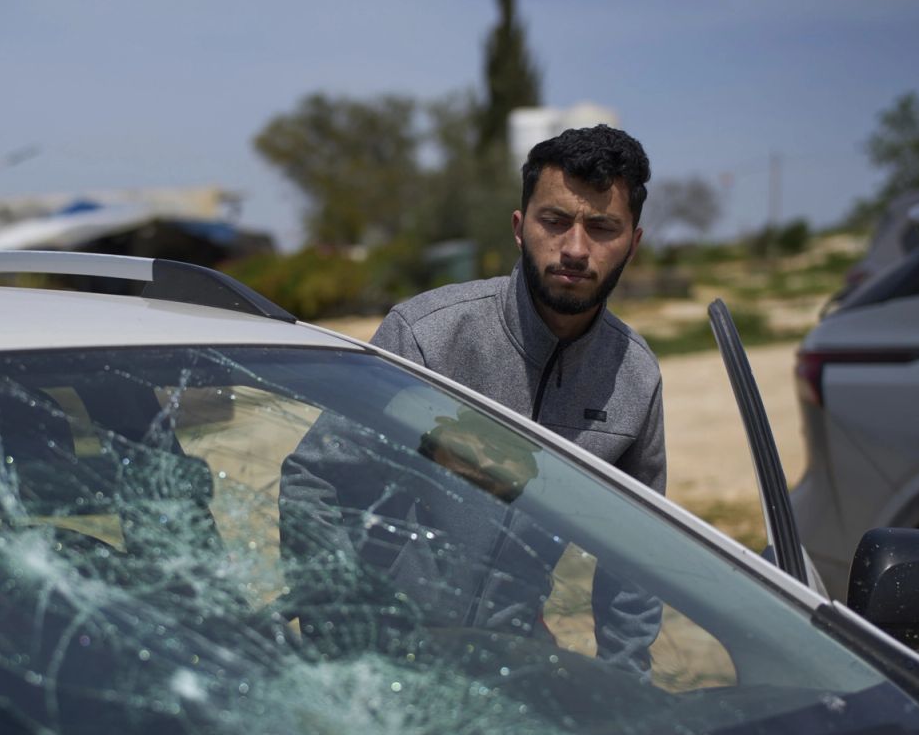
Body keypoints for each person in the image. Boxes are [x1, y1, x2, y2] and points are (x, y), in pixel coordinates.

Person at [281, 124, 664, 673]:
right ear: (520, 227)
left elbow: (638, 557)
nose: (576, 249)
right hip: (381, 657)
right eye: (554, 221)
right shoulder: (426, 337)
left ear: (634, 242)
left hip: (510, 662)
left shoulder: (635, 377)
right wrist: (341, 638)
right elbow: (315, 480)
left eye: (602, 228)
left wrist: (627, 687)